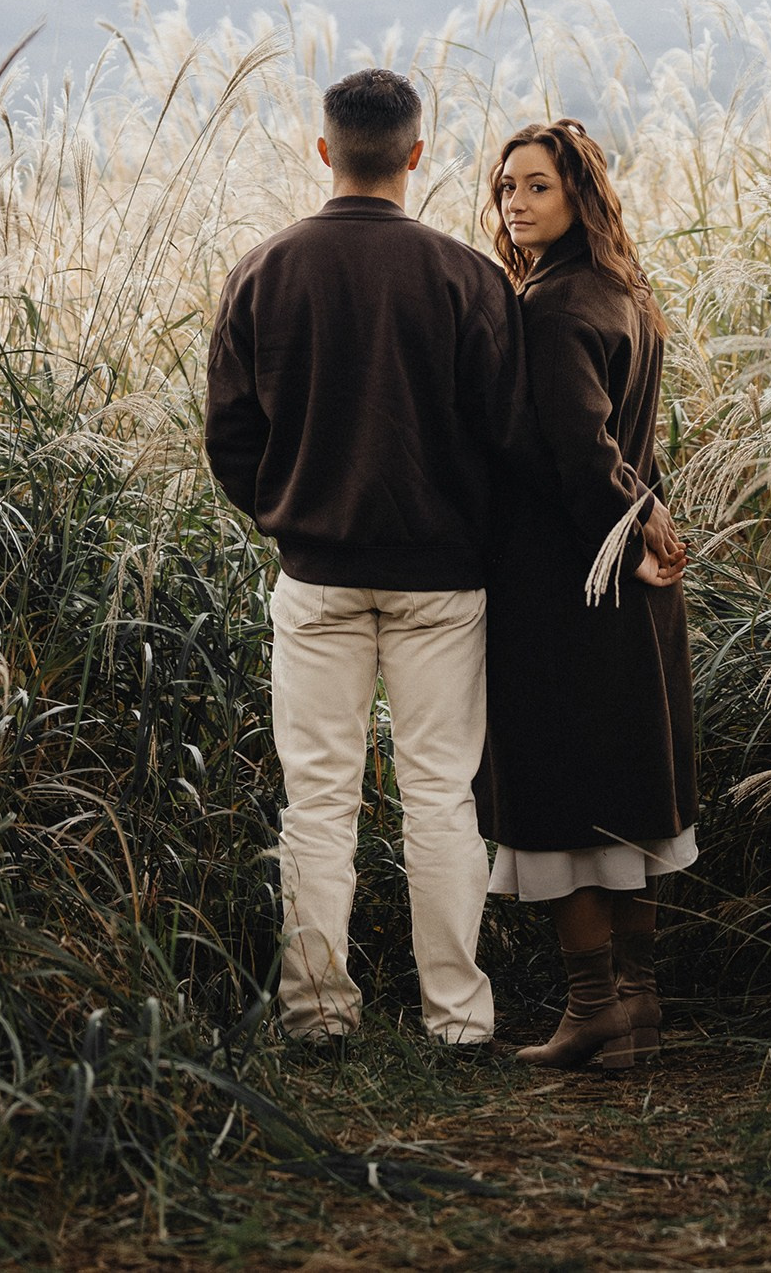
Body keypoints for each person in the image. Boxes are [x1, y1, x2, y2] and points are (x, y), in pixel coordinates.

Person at [204, 68, 527, 1046]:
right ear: (415, 155)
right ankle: (457, 1018)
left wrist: (290, 514)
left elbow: (229, 435)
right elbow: (507, 436)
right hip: (442, 580)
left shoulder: (261, 271)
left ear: (324, 151)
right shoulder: (468, 276)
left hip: (315, 576)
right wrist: (462, 526)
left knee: (317, 800)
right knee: (439, 796)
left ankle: (315, 1012)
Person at [476, 117, 697, 1071]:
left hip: (571, 584)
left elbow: (580, 446)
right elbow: (620, 445)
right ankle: (637, 1008)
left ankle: (595, 1004)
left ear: (578, 197)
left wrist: (626, 523)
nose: (516, 206)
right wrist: (648, 518)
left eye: (537, 189)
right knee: (630, 780)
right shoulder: (625, 295)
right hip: (634, 579)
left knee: (565, 788)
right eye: (508, 189)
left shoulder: (553, 307)